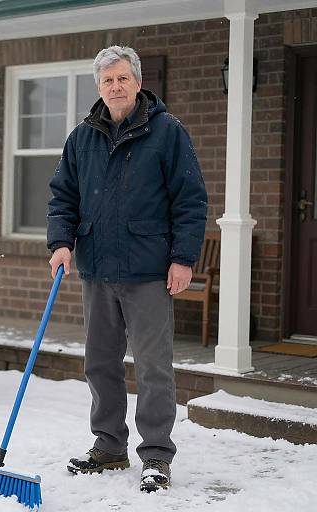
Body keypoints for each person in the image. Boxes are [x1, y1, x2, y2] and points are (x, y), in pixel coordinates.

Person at [47, 45, 207, 492]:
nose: (115, 87)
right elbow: (63, 196)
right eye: (107, 80)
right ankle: (110, 444)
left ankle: (156, 454)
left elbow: (190, 200)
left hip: (149, 271)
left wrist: (182, 258)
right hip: (97, 267)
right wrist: (61, 243)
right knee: (100, 362)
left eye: (122, 78)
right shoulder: (82, 137)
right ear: (98, 87)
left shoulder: (167, 132)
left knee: (154, 366)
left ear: (138, 82)